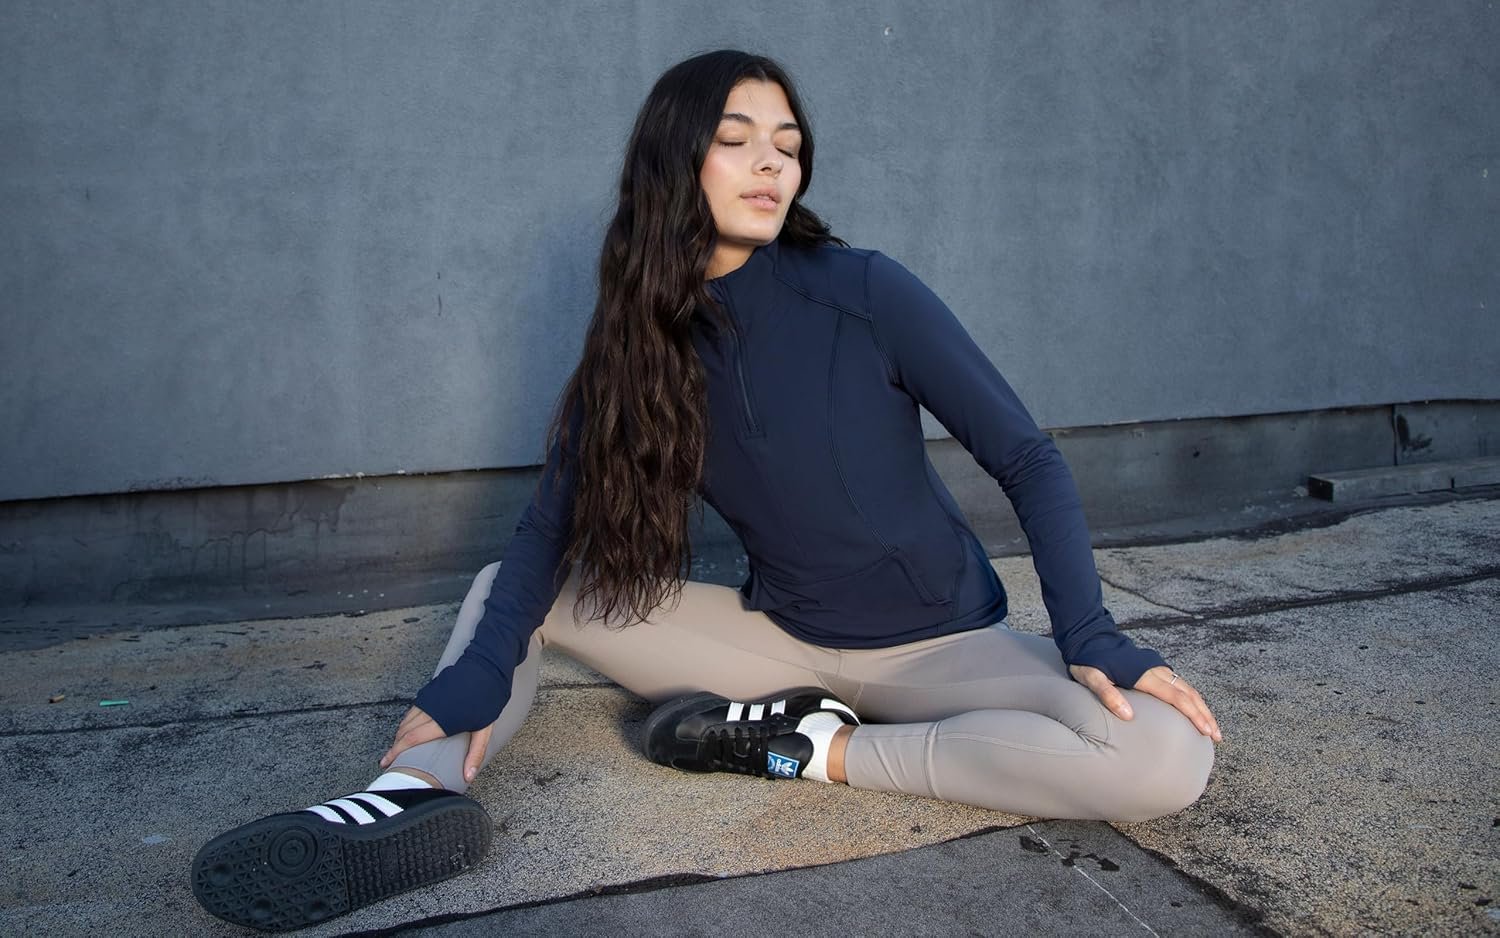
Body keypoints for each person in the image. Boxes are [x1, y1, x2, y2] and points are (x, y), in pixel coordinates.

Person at [191, 49, 1220, 932]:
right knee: (508, 591)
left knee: (1164, 758)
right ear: (676, 157)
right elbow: (550, 525)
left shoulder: (865, 290)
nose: (774, 161)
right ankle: (405, 796)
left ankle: (812, 748)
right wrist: (474, 678)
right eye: (738, 138)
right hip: (778, 639)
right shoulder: (641, 341)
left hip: (944, 650)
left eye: (788, 142)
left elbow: (1028, 458)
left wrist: (1090, 633)